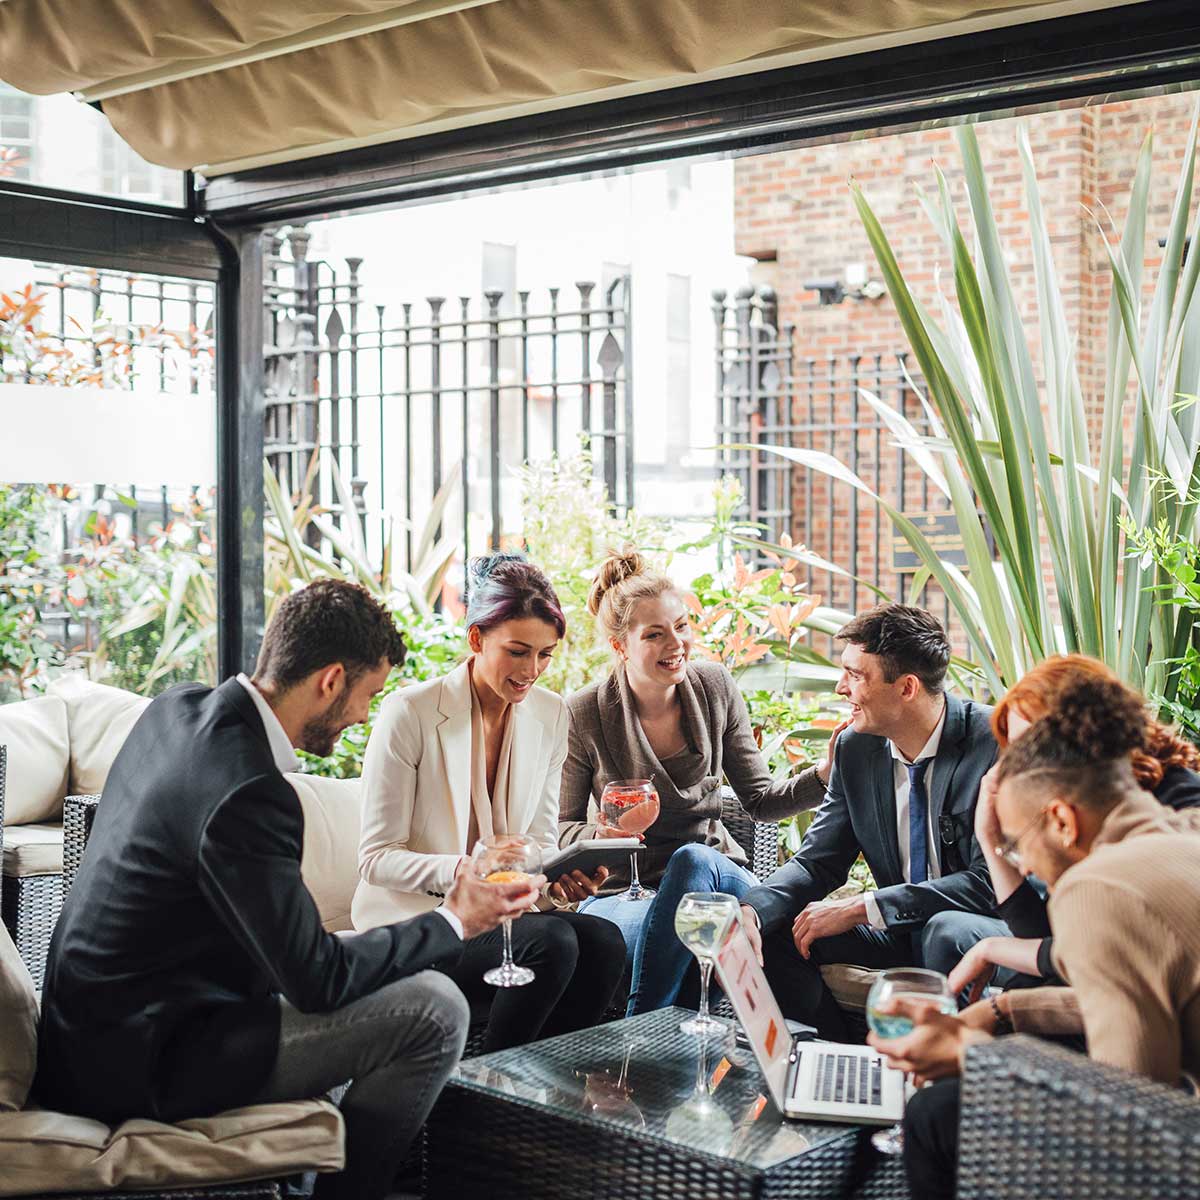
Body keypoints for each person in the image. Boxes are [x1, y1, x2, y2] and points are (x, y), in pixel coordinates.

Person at [36, 579, 535, 1200]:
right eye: (366, 696)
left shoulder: (177, 710)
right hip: (148, 1060)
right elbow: (316, 979)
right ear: (330, 680)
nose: (361, 719)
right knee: (436, 1009)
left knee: (393, 977)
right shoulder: (252, 793)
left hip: (91, 1029)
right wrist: (456, 920)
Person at [868, 675, 1200, 1200]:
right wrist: (1009, 1012)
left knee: (934, 1115)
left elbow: (1133, 1113)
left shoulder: (1101, 884)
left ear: (1063, 820)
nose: (1022, 863)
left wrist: (971, 1052)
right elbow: (1140, 996)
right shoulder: (1179, 833)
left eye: (1017, 847)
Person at [353, 553, 626, 1051]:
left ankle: (545, 1088)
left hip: (502, 917)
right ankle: (486, 1089)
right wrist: (469, 870)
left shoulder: (549, 715)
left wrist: (562, 881)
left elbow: (538, 843)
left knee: (604, 942)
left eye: (545, 654)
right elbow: (376, 859)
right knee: (554, 943)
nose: (532, 671)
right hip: (419, 922)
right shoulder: (410, 713)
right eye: (518, 651)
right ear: (477, 639)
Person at [560, 548, 828, 1015]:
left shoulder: (714, 686)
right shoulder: (585, 713)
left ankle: (638, 1034)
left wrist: (824, 773)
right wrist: (597, 836)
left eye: (682, 626)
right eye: (656, 635)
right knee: (683, 932)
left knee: (692, 861)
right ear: (621, 646)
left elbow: (761, 801)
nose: (677, 644)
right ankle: (675, 1058)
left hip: (716, 871)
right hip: (625, 891)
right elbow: (561, 828)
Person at [740, 603, 998, 1040]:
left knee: (944, 929)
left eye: (856, 675)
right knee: (777, 927)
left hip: (975, 932)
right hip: (899, 932)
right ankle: (833, 1057)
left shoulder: (995, 744)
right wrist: (752, 907)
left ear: (907, 688)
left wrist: (866, 906)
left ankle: (938, 1074)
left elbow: (988, 884)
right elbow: (816, 862)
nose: (842, 688)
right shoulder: (856, 749)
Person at [929, 653, 1200, 991]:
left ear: (1085, 733)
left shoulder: (1177, 807)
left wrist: (994, 952)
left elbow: (1112, 958)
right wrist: (989, 837)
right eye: (1013, 751)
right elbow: (1045, 933)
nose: (1020, 766)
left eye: (1031, 746)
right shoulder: (1067, 811)